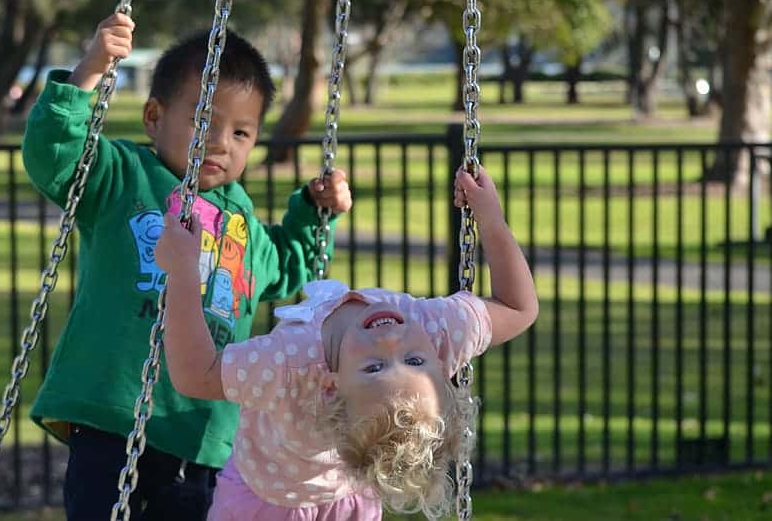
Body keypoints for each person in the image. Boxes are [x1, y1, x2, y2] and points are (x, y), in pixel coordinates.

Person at [22, 13, 353, 521]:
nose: (221, 142)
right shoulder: (122, 178)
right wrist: (89, 71)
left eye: (241, 132)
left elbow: (289, 268)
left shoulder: (239, 222)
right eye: (204, 122)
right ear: (154, 117)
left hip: (204, 434)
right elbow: (55, 153)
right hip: (114, 416)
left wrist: (314, 208)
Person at [156, 167, 538, 520]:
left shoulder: (289, 364)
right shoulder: (436, 331)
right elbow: (518, 308)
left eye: (374, 368)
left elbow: (196, 375)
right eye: (415, 361)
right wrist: (491, 217)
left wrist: (183, 271)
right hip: (309, 494)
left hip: (276, 503)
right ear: (442, 362)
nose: (391, 340)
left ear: (331, 383)